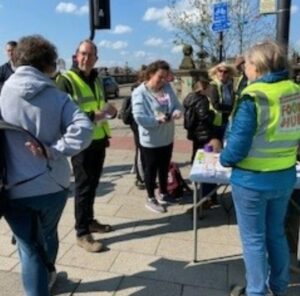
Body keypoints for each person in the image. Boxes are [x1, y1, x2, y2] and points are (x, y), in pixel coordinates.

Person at [0, 35, 93, 296]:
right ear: (48, 65)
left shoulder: (2, 92)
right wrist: (54, 151)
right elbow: (84, 129)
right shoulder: (57, 96)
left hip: (13, 187)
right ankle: (48, 274)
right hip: (54, 185)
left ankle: (38, 286)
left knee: (28, 247)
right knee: (48, 234)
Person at [220, 40, 300, 296]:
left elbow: (236, 148)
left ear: (258, 66)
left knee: (254, 240)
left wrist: (223, 159)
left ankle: (256, 292)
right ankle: (279, 286)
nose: (245, 69)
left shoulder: (253, 97)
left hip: (252, 181)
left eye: (247, 64)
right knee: (276, 233)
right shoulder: (295, 91)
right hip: (285, 176)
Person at [56, 39, 117, 252]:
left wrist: (111, 110)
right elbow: (62, 112)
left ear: (96, 59)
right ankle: (82, 233)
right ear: (76, 55)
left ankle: (89, 220)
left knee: (92, 185)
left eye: (90, 55)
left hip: (98, 139)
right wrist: (93, 115)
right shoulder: (66, 79)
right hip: (80, 142)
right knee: (83, 187)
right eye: (82, 54)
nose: (86, 58)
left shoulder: (97, 78)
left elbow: (100, 103)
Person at [132, 60, 182, 213]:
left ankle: (163, 192)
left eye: (165, 77)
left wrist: (176, 112)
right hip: (151, 140)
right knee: (151, 169)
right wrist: (157, 120)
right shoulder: (139, 92)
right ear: (150, 74)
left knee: (164, 166)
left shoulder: (167, 88)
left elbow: (176, 105)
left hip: (167, 137)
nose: (163, 80)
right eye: (160, 77)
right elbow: (139, 117)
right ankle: (150, 197)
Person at [183, 74, 222, 206]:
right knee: (208, 166)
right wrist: (212, 115)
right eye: (207, 86)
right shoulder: (202, 99)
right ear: (202, 87)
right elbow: (204, 116)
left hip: (196, 135)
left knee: (199, 164)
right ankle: (208, 196)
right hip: (206, 136)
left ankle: (203, 193)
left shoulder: (189, 98)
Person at [207, 62, 236, 139]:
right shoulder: (213, 85)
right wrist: (231, 109)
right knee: (217, 145)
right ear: (216, 72)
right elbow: (215, 104)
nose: (222, 73)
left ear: (228, 73)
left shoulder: (230, 85)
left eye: (225, 72)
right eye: (220, 71)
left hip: (227, 120)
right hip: (215, 121)